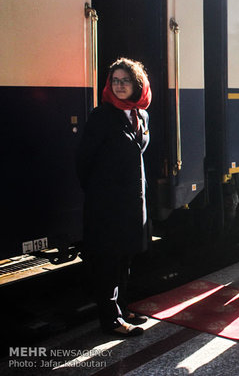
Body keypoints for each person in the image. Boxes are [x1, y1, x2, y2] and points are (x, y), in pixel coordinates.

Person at [76, 58, 151, 337]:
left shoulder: (141, 115)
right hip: (107, 204)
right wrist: (100, 194)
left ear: (137, 84)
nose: (120, 86)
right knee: (108, 261)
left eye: (126, 81)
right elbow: (83, 161)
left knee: (124, 258)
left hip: (133, 201)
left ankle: (121, 308)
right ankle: (111, 320)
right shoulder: (101, 116)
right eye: (115, 81)